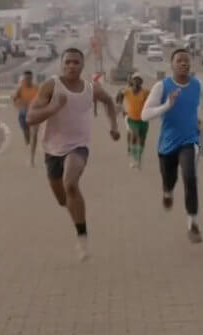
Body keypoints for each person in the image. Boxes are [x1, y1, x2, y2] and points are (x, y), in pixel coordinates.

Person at [27, 47, 120, 261]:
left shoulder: (90, 88)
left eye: (76, 63)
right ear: (62, 64)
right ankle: (76, 215)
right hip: (52, 149)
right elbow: (31, 117)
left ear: (82, 65)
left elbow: (108, 101)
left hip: (79, 146)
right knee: (62, 199)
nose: (71, 66)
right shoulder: (51, 86)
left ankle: (82, 237)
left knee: (70, 183)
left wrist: (113, 126)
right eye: (67, 62)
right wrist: (53, 108)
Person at [142, 49, 203, 243]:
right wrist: (166, 106)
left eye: (187, 60)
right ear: (172, 64)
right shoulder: (162, 86)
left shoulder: (198, 85)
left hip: (190, 141)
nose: (184, 64)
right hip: (167, 144)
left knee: (190, 177)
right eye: (179, 61)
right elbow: (145, 115)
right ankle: (167, 192)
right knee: (170, 180)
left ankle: (192, 223)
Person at [120, 73, 150, 169]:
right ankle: (133, 158)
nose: (136, 81)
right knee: (134, 136)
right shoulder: (127, 91)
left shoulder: (146, 92)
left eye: (138, 80)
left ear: (141, 82)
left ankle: (138, 159)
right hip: (132, 119)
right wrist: (122, 110)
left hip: (143, 120)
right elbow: (119, 97)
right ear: (132, 81)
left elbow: (153, 101)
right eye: (135, 79)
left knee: (141, 141)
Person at [12, 69, 40, 166]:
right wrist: (18, 107)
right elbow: (15, 99)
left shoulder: (37, 88)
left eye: (29, 78)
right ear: (23, 79)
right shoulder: (20, 88)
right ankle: (28, 145)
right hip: (23, 113)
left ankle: (32, 158)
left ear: (32, 78)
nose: (27, 80)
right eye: (26, 78)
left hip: (35, 113)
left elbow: (43, 98)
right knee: (26, 134)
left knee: (34, 134)